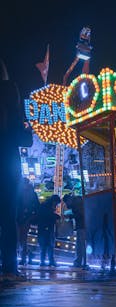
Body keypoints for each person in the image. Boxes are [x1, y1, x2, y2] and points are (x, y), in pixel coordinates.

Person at [0, 59, 33, 280]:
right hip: (8, 165)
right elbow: (26, 140)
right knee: (7, 217)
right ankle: (10, 269)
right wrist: (27, 127)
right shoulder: (10, 95)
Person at [17, 178, 40, 265]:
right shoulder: (30, 193)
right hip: (24, 217)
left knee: (21, 238)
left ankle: (23, 257)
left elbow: (36, 206)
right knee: (22, 239)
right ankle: (25, 256)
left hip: (24, 217)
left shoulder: (23, 193)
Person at [63, 194, 87, 268]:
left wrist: (70, 216)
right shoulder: (78, 201)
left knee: (80, 244)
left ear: (68, 200)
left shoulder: (76, 203)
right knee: (80, 244)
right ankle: (80, 261)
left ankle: (80, 262)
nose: (67, 205)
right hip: (83, 225)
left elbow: (80, 214)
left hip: (82, 226)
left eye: (66, 203)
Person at [37, 195, 61, 267]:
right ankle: (48, 261)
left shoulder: (45, 206)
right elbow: (48, 216)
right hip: (46, 228)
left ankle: (44, 261)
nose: (56, 205)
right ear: (54, 201)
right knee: (48, 245)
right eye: (56, 203)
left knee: (45, 245)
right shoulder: (46, 208)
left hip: (43, 228)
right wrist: (55, 216)